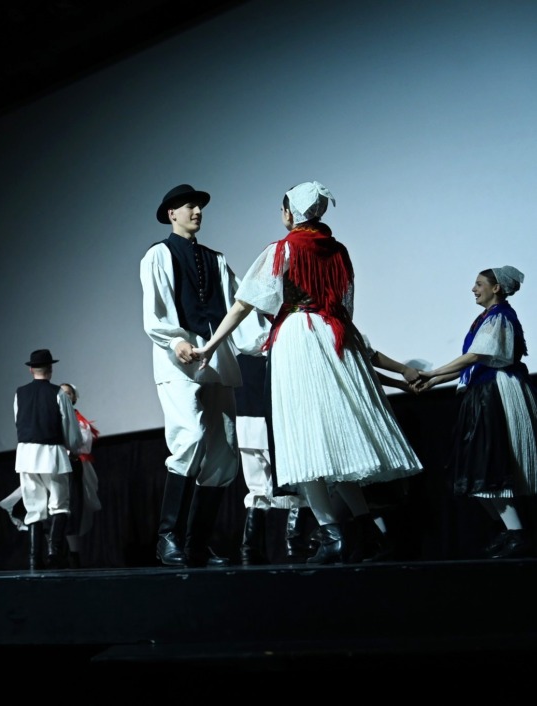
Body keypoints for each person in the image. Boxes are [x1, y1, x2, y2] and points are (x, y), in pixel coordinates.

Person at [193, 181, 423, 564]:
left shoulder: (282, 249)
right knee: (335, 441)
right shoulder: (339, 251)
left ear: (290, 212)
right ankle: (364, 531)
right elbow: (345, 306)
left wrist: (212, 344)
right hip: (334, 336)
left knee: (304, 439)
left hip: (299, 338)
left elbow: (244, 303)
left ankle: (332, 535)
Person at [140, 184, 269, 568]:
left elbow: (239, 306)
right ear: (171, 214)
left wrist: (266, 340)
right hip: (176, 360)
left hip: (215, 358)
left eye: (199, 206)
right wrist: (175, 340)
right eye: (189, 206)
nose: (197, 211)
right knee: (190, 437)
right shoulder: (158, 255)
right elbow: (155, 310)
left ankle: (196, 543)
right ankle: (167, 538)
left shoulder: (217, 259)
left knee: (224, 453)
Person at [414, 266, 536, 559]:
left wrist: (433, 373)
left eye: (479, 284)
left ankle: (516, 534)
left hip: (493, 393)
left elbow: (476, 356)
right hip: (481, 392)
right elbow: (473, 364)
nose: (474, 289)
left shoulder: (500, 317)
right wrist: (432, 381)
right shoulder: (486, 319)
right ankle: (507, 530)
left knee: (487, 465)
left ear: (496, 288)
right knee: (475, 469)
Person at [233, 353, 306, 566]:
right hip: (266, 409)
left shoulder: (238, 352)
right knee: (297, 479)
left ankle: (250, 549)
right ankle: (294, 542)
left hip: (245, 410)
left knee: (257, 486)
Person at [13, 349, 82, 570]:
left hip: (26, 455)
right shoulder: (58, 393)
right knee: (59, 505)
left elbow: (18, 421)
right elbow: (69, 426)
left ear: (31, 369)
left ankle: (34, 558)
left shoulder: (20, 393)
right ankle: (54, 554)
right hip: (52, 454)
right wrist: (73, 448)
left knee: (33, 507)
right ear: (50, 369)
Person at [59, 382, 102, 568]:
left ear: (74, 398)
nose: (65, 396)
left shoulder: (79, 421)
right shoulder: (52, 417)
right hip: (54, 467)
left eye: (68, 393)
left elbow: (83, 446)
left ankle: (73, 555)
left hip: (72, 467)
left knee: (73, 509)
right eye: (61, 393)